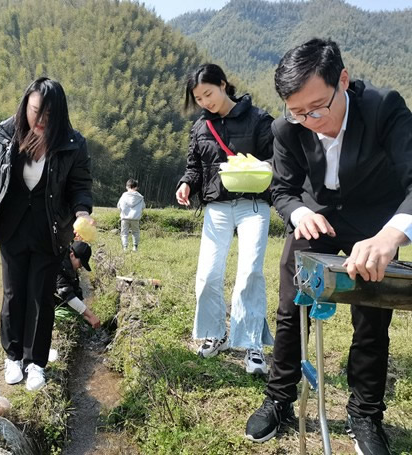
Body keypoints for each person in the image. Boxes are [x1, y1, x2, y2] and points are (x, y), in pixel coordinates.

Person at [245, 38, 412, 455]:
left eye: (317, 107)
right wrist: (300, 214)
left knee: (372, 317)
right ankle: (280, 397)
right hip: (316, 219)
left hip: (375, 223)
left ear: (343, 80)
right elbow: (283, 190)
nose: (309, 119)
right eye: (297, 111)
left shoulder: (383, 108)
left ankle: (364, 414)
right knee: (291, 308)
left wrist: (393, 235)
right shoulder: (286, 128)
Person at [0, 77, 93, 391]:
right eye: (34, 111)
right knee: (14, 293)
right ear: (25, 106)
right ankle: (13, 356)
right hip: (12, 226)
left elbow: (80, 185)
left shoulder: (72, 142)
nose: (40, 120)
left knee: (41, 297)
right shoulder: (6, 132)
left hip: (49, 229)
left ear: (60, 113)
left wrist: (83, 212)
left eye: (47, 115)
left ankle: (37, 363)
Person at [175, 63, 275, 374]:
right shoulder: (201, 127)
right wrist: (186, 183)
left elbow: (276, 159)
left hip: (253, 203)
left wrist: (258, 169)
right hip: (217, 206)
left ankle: (252, 347)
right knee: (207, 275)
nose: (205, 102)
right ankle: (216, 334)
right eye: (199, 98)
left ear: (223, 84)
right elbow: (194, 165)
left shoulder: (258, 119)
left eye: (208, 93)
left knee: (249, 274)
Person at [55, 240, 101, 329]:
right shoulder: (59, 265)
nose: (81, 266)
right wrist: (91, 316)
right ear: (72, 255)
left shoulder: (69, 266)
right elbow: (66, 293)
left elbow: (75, 291)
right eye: (81, 263)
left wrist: (84, 314)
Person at [117, 178, 145, 252]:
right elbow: (143, 207)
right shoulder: (140, 197)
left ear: (127, 187)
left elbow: (119, 206)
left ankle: (125, 248)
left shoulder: (123, 196)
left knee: (124, 233)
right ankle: (135, 247)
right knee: (135, 232)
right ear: (136, 187)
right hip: (135, 218)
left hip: (124, 217)